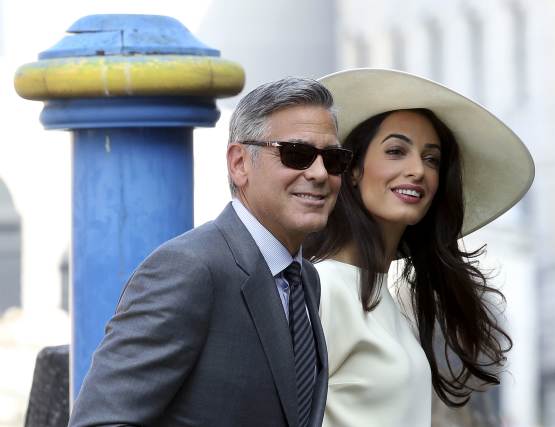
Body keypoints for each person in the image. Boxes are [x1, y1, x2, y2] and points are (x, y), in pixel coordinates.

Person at [69, 77, 354, 427]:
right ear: (239, 163)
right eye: (297, 154)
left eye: (334, 159)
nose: (320, 173)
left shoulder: (304, 277)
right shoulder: (188, 269)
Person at [304, 68, 535, 427]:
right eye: (397, 151)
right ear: (352, 169)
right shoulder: (325, 290)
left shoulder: (386, 300)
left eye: (432, 159)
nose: (418, 170)